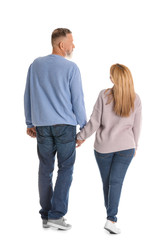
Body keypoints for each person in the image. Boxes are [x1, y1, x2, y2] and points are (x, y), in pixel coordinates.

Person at [24, 28, 87, 230]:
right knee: (66, 168)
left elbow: (28, 95)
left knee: (45, 169)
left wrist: (29, 122)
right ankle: (57, 215)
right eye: (72, 41)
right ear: (62, 45)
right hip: (65, 127)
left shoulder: (35, 65)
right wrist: (84, 127)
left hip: (42, 125)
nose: (73, 46)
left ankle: (46, 215)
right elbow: (78, 100)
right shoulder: (71, 68)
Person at [76, 64, 142, 234]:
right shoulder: (135, 98)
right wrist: (135, 145)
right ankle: (110, 219)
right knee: (115, 182)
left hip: (103, 148)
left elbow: (94, 122)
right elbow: (137, 127)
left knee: (109, 183)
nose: (109, 78)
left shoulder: (104, 95)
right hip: (126, 147)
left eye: (111, 75)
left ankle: (110, 218)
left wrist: (80, 137)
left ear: (116, 78)